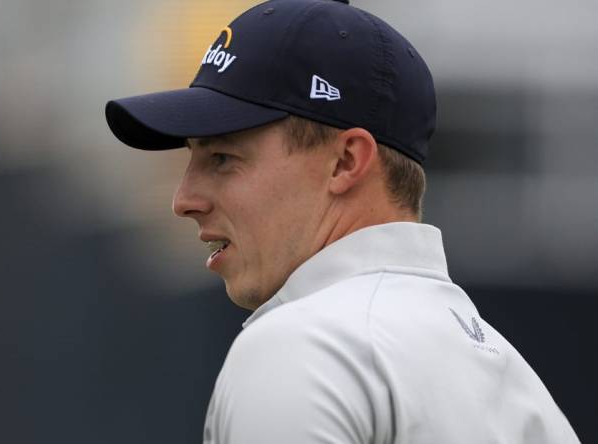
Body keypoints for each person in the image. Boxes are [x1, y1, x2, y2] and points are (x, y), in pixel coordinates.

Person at [104, 0, 581, 442]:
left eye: (224, 158)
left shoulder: (303, 347)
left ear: (346, 162)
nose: (184, 200)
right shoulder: (509, 377)